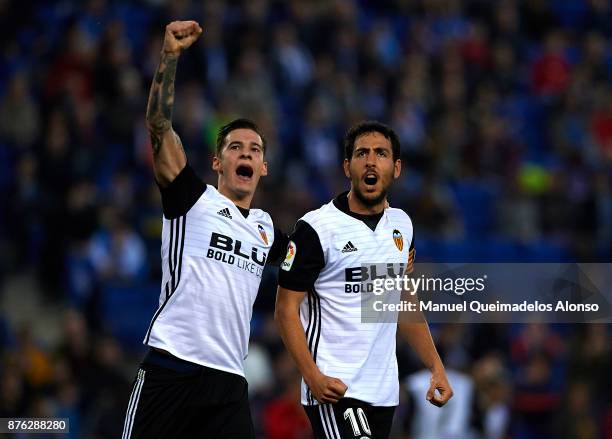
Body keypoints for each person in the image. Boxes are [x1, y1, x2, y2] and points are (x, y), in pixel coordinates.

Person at [122, 21, 287, 438]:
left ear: (263, 168)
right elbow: (159, 128)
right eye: (235, 147)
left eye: (255, 149)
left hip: (229, 382)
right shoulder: (192, 199)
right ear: (218, 163)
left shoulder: (267, 229)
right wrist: (169, 58)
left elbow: (314, 265)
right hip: (172, 365)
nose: (245, 153)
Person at [275, 121, 453, 439]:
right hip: (335, 387)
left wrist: (435, 366)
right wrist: (312, 376)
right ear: (348, 166)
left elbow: (400, 298)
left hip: (383, 392)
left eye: (381, 153)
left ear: (395, 168)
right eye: (362, 153)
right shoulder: (316, 229)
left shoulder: (401, 225)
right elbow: (286, 309)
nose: (371, 161)